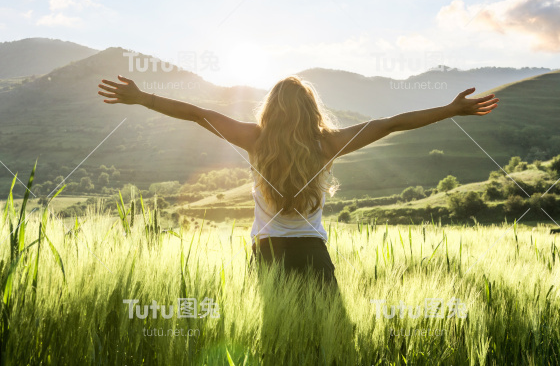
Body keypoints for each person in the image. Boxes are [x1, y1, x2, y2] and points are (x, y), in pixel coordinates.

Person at [97, 74, 498, 289]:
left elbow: (198, 113)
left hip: (267, 253)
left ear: (270, 109)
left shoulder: (253, 139)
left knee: (275, 340)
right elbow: (391, 124)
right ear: (312, 109)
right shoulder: (328, 144)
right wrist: (450, 110)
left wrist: (144, 98)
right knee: (328, 343)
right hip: (313, 253)